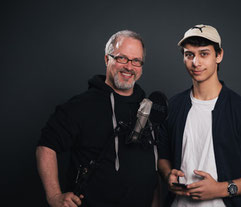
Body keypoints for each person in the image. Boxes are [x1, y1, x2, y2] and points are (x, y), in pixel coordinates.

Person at [36, 30, 160, 207]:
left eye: (136, 61)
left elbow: (151, 167)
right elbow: (46, 146)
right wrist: (54, 196)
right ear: (106, 59)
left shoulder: (148, 108)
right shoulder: (81, 106)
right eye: (121, 58)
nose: (129, 67)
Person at [158, 24, 241, 207]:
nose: (195, 62)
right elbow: (162, 155)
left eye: (204, 54)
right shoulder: (173, 106)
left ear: (218, 55)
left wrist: (223, 189)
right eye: (189, 54)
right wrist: (167, 175)